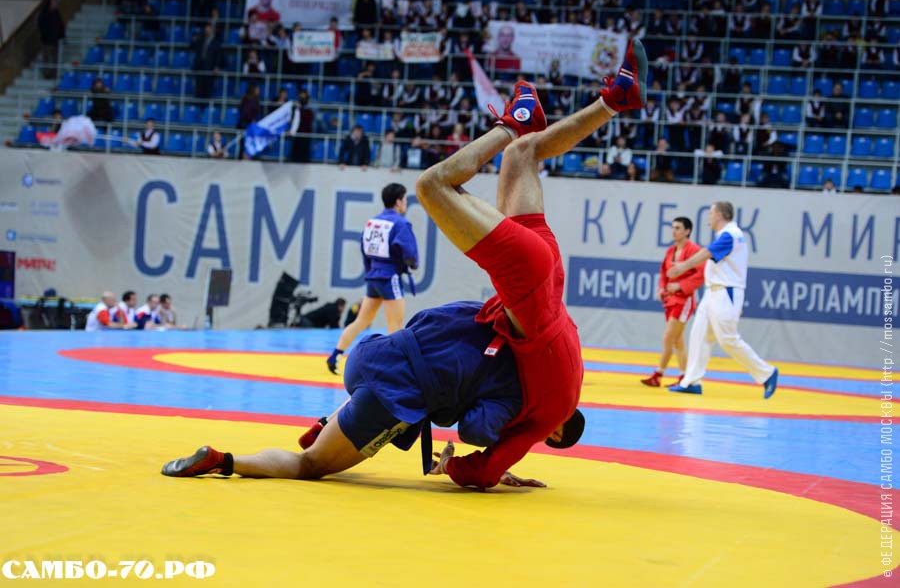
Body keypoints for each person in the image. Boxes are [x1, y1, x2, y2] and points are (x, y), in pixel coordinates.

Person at [160, 39, 649, 490]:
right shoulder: (539, 414)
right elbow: (482, 450)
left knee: (524, 155)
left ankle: (612, 101)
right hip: (504, 301)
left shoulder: (567, 376)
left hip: (544, 274)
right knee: (432, 187)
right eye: (547, 439)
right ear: (557, 431)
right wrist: (463, 466)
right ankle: (510, 125)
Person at [668, 201, 779, 398]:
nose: (708, 218)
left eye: (711, 213)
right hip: (713, 292)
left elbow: (706, 253)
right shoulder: (726, 234)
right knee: (699, 335)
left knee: (727, 339)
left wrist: (683, 266)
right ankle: (692, 381)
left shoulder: (731, 234)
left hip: (725, 293)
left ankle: (767, 373)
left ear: (719, 215)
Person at [326, 183, 419, 373]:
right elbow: (410, 253)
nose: (406, 203)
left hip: (373, 277)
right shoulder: (400, 224)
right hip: (390, 277)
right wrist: (412, 264)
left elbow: (364, 249)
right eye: (404, 199)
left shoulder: (372, 222)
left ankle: (335, 354)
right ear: (398, 201)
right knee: (396, 325)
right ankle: (393, 367)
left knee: (361, 320)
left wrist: (371, 270)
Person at [640, 217, 704, 388]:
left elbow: (701, 274)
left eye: (678, 228)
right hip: (671, 299)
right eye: (673, 227)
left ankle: (658, 374)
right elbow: (664, 272)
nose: (674, 231)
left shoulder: (695, 251)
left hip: (684, 300)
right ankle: (685, 376)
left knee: (668, 336)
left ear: (687, 231)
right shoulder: (671, 250)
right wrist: (661, 288)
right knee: (677, 340)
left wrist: (681, 285)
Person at [37, 0, 65, 80]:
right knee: (47, 58)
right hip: (47, 41)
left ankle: (54, 74)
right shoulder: (44, 13)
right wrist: (45, 35)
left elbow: (61, 25)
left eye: (56, 2)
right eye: (54, 2)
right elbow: (41, 25)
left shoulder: (57, 13)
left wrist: (61, 35)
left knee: (55, 59)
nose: (55, 4)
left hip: (55, 40)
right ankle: (46, 74)